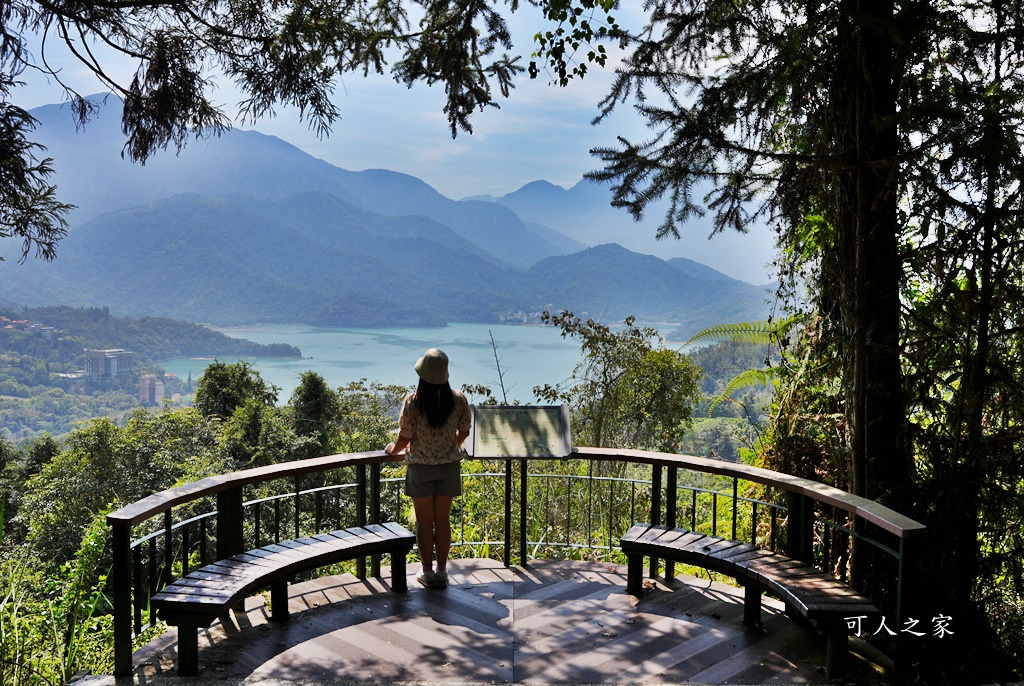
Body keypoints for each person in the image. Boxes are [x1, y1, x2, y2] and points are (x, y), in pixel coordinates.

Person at [384, 348, 471, 588]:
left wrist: (393, 450)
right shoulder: (459, 399)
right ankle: (442, 572)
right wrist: (451, 444)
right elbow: (464, 431)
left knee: (424, 521)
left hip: (420, 468)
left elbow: (405, 436)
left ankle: (426, 572)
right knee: (442, 521)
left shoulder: (413, 401)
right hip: (448, 467)